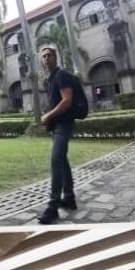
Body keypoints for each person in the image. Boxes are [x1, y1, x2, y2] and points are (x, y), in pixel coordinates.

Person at [37, 45, 77, 224]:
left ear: (56, 57)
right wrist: (48, 121)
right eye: (43, 56)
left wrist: (48, 116)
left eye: (49, 55)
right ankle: (69, 197)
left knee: (56, 159)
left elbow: (67, 101)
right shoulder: (51, 79)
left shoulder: (62, 74)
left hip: (64, 123)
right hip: (56, 125)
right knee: (62, 159)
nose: (46, 59)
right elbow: (53, 102)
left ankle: (52, 206)